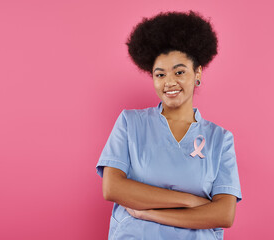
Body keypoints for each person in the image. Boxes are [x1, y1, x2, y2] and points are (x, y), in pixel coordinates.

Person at [96, 10, 242, 240]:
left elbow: (224, 213)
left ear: (198, 73)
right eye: (160, 74)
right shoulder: (130, 123)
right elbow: (112, 188)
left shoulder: (220, 139)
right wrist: (191, 201)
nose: (169, 82)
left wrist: (151, 213)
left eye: (179, 72)